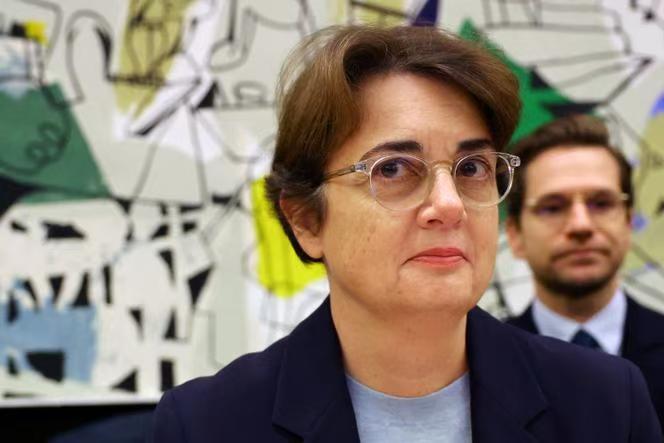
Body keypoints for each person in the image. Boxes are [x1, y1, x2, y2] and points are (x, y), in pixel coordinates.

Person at [150, 25, 661, 442]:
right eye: (393, 169)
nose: (449, 205)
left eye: (472, 168)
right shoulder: (207, 425)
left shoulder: (605, 404)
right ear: (306, 220)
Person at [505, 114, 664, 430]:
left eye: (601, 203)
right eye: (553, 207)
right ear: (515, 235)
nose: (581, 225)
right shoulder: (484, 366)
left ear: (628, 221)